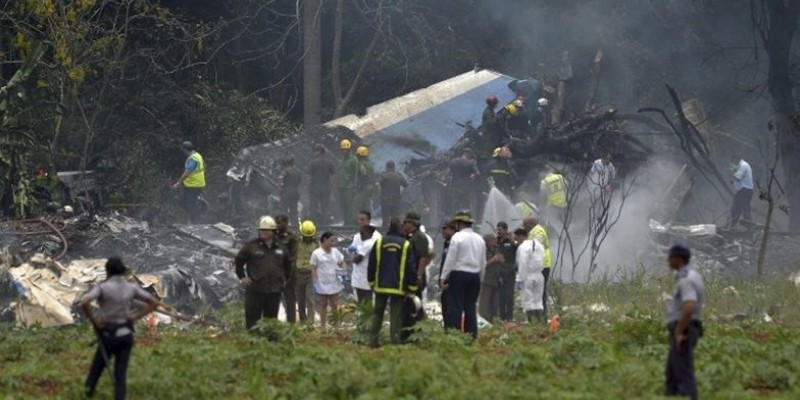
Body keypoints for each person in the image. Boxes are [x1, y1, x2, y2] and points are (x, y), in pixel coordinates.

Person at [81, 257, 159, 400]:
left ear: (107, 271)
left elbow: (85, 301)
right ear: (123, 272)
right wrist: (134, 317)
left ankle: (87, 395)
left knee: (95, 371)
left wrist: (94, 321)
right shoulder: (131, 287)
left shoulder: (103, 288)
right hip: (126, 334)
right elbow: (154, 303)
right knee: (120, 375)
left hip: (108, 335)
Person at [367, 217, 418, 347]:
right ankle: (395, 343)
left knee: (378, 314)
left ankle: (373, 341)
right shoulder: (406, 245)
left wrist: (371, 282)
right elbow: (411, 267)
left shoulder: (379, 242)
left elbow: (371, 264)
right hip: (398, 287)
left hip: (380, 286)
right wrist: (412, 287)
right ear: (400, 228)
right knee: (395, 316)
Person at [234, 216, 292, 329]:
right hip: (255, 289)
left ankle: (269, 344)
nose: (263, 232)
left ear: (273, 232)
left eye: (267, 230)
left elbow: (287, 265)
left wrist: (284, 279)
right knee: (252, 321)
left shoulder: (281, 247)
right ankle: (253, 344)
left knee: (271, 321)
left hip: (274, 291)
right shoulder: (252, 246)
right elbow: (239, 259)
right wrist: (242, 276)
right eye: (261, 230)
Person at [664, 243, 704, 400]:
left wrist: (679, 331)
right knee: (672, 372)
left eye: (670, 257)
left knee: (683, 371)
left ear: (678, 259)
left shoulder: (686, 280)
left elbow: (689, 306)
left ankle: (690, 396)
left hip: (685, 328)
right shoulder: (692, 275)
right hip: (687, 326)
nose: (668, 260)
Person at [440, 211, 486, 338]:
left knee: (456, 306)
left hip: (459, 275)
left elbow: (450, 259)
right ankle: (471, 335)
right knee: (470, 306)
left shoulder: (457, 237)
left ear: (459, 224)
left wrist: (443, 277)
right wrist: (481, 277)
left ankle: (456, 335)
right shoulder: (479, 239)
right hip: (474, 276)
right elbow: (483, 262)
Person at [310, 231, 347, 329]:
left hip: (334, 281)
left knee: (334, 304)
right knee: (323, 304)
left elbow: (342, 262)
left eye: (334, 241)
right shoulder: (316, 253)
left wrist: (343, 271)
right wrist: (315, 282)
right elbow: (313, 268)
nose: (333, 243)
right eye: (331, 241)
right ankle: (323, 325)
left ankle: (336, 325)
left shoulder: (335, 252)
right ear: (325, 240)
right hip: (322, 283)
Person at [403, 212, 432, 324]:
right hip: (408, 274)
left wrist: (419, 275)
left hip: (415, 275)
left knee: (415, 302)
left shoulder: (419, 237)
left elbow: (423, 257)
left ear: (412, 223)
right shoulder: (408, 237)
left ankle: (417, 325)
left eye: (406, 222)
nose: (404, 224)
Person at [349, 210, 381, 306]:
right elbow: (351, 252)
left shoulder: (375, 236)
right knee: (359, 306)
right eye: (359, 219)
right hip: (357, 277)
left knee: (369, 306)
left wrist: (356, 253)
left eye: (362, 220)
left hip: (370, 277)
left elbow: (358, 258)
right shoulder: (357, 236)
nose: (360, 222)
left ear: (369, 221)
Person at [514, 229, 546, 322]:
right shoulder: (539, 245)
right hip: (539, 275)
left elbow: (523, 263)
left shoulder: (523, 247)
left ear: (521, 236)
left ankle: (531, 323)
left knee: (528, 300)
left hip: (527, 275)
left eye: (517, 239)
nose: (517, 242)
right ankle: (540, 321)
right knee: (538, 300)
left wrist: (520, 278)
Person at [524, 216, 552, 318]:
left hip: (543, 266)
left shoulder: (539, 232)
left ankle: (541, 317)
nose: (524, 227)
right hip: (537, 266)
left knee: (540, 291)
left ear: (531, 224)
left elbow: (535, 246)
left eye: (525, 225)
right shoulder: (533, 232)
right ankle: (536, 316)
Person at [275, 215, 300, 324]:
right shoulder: (273, 237)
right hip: (275, 273)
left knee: (290, 300)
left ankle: (291, 325)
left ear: (286, 223)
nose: (277, 225)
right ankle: (272, 323)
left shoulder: (292, 238)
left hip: (288, 273)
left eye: (279, 223)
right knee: (273, 299)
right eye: (276, 222)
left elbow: (293, 257)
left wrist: (286, 274)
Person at [172, 141, 205, 223]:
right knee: (182, 201)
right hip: (194, 184)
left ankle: (194, 223)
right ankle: (196, 212)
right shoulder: (198, 156)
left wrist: (178, 183)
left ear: (185, 149)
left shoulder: (193, 159)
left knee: (190, 204)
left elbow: (187, 172)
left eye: (183, 150)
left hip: (194, 185)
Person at [297, 220, 318, 324]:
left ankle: (310, 322)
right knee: (300, 300)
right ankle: (302, 320)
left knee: (310, 298)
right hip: (298, 274)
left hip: (310, 274)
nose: (307, 237)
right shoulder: (297, 243)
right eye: (305, 236)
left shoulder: (316, 244)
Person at [478, 233, 503, 322]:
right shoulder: (483, 251)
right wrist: (494, 260)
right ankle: (484, 319)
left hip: (496, 280)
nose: (495, 241)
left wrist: (501, 260)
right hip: (486, 279)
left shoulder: (497, 250)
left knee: (495, 303)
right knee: (485, 301)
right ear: (488, 241)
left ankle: (494, 319)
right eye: (493, 239)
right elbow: (481, 265)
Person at [496, 222, 518, 322]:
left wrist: (512, 239)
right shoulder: (497, 241)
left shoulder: (511, 240)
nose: (499, 231)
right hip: (500, 271)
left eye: (500, 229)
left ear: (505, 230)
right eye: (498, 229)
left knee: (509, 294)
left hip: (510, 270)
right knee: (501, 295)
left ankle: (509, 317)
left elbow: (518, 247)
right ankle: (501, 316)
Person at [308, 144, 335, 224]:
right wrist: (332, 190)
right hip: (326, 189)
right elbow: (332, 177)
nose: (314, 153)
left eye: (315, 151)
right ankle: (324, 225)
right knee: (325, 208)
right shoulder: (329, 163)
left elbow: (309, 177)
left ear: (319, 152)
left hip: (314, 189)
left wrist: (307, 187)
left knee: (313, 208)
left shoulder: (312, 163)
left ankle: (313, 225)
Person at [378, 161, 408, 231]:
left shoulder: (383, 175)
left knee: (385, 219)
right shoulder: (398, 175)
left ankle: (384, 233)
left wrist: (380, 195)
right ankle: (396, 232)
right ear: (394, 167)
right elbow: (407, 186)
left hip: (385, 199)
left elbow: (378, 185)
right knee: (395, 218)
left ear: (387, 167)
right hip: (396, 200)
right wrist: (402, 195)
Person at [438, 220, 458, 328]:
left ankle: (452, 331)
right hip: (445, 282)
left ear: (452, 230)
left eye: (445, 229)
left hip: (452, 283)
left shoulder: (455, 244)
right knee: (445, 308)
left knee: (452, 309)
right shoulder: (446, 243)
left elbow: (455, 265)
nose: (442, 231)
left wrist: (450, 281)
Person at [447, 148, 480, 213]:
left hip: (455, 186)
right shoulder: (471, 162)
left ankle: (454, 221)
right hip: (466, 188)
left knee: (454, 206)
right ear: (467, 153)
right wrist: (473, 177)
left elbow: (447, 173)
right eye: (470, 154)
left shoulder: (453, 161)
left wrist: (447, 182)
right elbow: (477, 173)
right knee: (466, 207)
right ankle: (465, 221)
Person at [336, 139, 359, 224]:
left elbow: (355, 174)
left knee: (349, 206)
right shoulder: (342, 160)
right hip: (341, 186)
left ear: (349, 149)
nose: (344, 151)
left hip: (349, 187)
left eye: (346, 149)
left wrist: (354, 186)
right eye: (343, 149)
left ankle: (349, 222)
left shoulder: (353, 160)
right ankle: (346, 221)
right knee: (343, 205)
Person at [729, 155, 754, 228]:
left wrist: (732, 170)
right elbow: (735, 180)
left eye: (733, 161)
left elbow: (738, 178)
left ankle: (749, 229)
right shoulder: (739, 166)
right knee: (735, 209)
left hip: (745, 191)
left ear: (737, 158)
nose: (733, 163)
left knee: (745, 209)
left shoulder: (743, 165)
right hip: (741, 191)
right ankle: (734, 227)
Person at [279, 156, 301, 225]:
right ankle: (295, 226)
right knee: (294, 211)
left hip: (287, 191)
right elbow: (300, 181)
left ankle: (283, 225)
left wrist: (281, 187)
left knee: (284, 209)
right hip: (295, 191)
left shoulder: (286, 170)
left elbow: (281, 178)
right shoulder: (297, 171)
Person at [354, 146, 375, 214]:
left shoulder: (360, 164)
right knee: (367, 205)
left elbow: (363, 174)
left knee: (356, 206)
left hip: (363, 187)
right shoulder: (370, 164)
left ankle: (356, 222)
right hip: (370, 187)